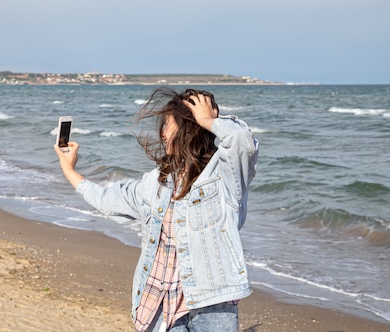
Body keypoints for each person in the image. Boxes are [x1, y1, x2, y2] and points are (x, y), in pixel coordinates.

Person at [54, 88, 259, 331]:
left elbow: (242, 143)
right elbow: (109, 198)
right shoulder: (157, 183)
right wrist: (69, 170)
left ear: (188, 128)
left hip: (212, 303)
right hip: (161, 303)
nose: (162, 134)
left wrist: (211, 122)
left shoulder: (223, 176)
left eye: (168, 126)